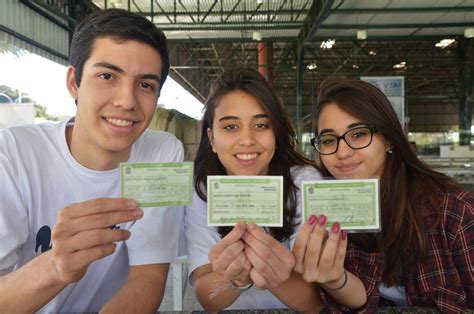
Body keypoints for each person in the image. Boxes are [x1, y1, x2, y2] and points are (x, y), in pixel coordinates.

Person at [0, 9, 184, 312]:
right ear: (74, 82)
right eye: (107, 76)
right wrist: (55, 268)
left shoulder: (163, 154)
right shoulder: (13, 154)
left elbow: (149, 276)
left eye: (146, 85)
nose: (126, 101)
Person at [185, 68, 367, 312]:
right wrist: (235, 280)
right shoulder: (202, 191)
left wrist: (276, 276)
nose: (247, 140)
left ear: (276, 132)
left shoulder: (303, 181)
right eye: (230, 127)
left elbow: (316, 303)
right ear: (212, 139)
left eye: (261, 125)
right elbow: (207, 298)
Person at [299, 79, 473, 312]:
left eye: (359, 134)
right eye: (329, 140)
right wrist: (333, 281)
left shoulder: (453, 211)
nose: (342, 152)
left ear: (389, 137)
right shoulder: (326, 215)